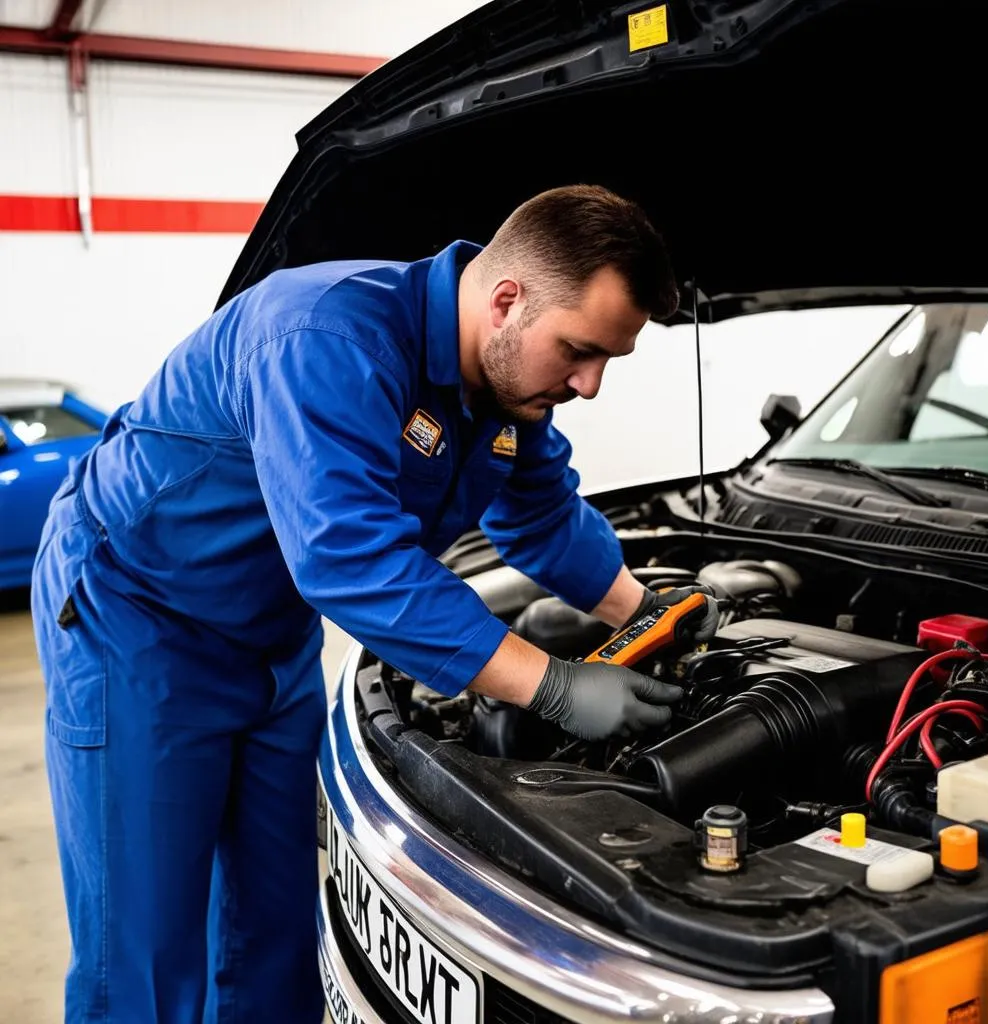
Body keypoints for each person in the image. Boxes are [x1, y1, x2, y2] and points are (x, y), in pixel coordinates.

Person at [32, 183, 719, 1023]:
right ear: (506, 301)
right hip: (134, 618)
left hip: (270, 635)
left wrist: (647, 612)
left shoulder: (503, 390)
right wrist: (552, 685)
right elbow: (348, 555)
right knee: (142, 953)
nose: (590, 384)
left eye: (609, 359)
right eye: (579, 350)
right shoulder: (326, 336)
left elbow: (540, 518)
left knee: (275, 918)